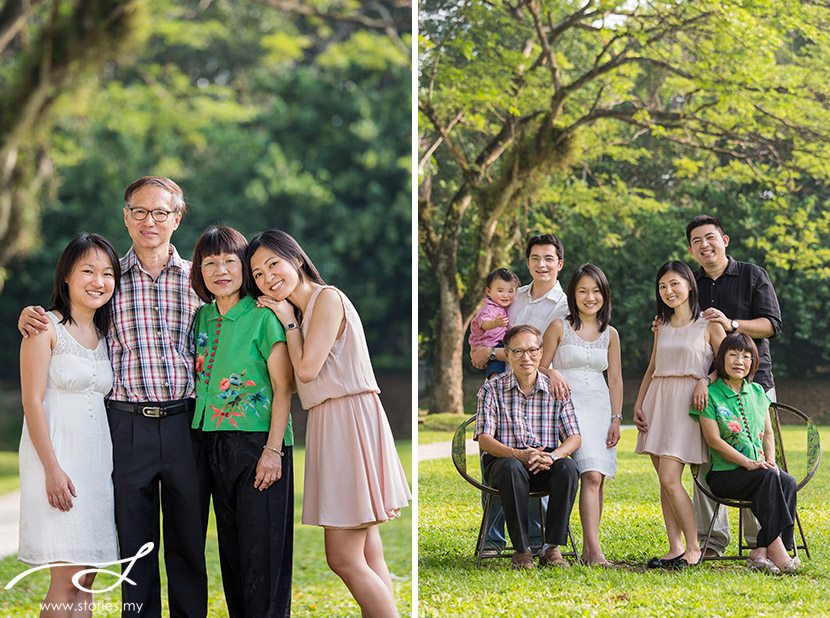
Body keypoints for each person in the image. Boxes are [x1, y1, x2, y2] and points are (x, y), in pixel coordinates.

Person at [18, 177, 209, 618]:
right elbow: (66, 322)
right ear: (126, 216)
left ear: (177, 218)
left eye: (161, 212)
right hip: (125, 426)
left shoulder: (199, 281)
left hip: (185, 423)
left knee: (187, 544)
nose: (149, 221)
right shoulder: (111, 279)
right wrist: (32, 316)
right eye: (139, 211)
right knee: (134, 551)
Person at [248, 229, 410, 618]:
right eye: (257, 274)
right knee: (368, 550)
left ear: (297, 259)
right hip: (336, 420)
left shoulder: (326, 299)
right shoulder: (307, 311)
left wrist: (286, 320)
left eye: (274, 264)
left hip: (346, 422)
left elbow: (306, 370)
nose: (268, 278)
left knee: (342, 557)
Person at [190, 226, 294, 617]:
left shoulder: (264, 315)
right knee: (232, 553)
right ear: (199, 270)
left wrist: (272, 450)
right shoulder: (201, 317)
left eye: (230, 261)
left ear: (244, 267)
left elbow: (284, 389)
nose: (220, 270)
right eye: (210, 263)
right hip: (211, 444)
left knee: (262, 555)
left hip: (259, 444)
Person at [18, 233, 120, 618]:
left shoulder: (107, 334)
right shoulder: (44, 328)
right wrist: (52, 469)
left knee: (88, 575)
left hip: (96, 464)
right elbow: (32, 402)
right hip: (59, 459)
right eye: (88, 271)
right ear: (66, 277)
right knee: (66, 579)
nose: (99, 281)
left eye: (108, 273)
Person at [685, 214, 783, 557]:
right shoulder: (690, 284)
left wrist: (733, 323)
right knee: (707, 459)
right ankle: (713, 541)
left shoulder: (752, 275)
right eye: (696, 241)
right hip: (707, 387)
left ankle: (763, 540)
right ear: (691, 249)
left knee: (758, 455)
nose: (704, 245)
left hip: (753, 383)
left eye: (709, 237)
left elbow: (771, 325)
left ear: (724, 239)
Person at [469, 234, 570, 550]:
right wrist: (484, 350)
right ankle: (495, 538)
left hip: (543, 389)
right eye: (535, 258)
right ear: (527, 262)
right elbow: (488, 332)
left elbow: (545, 351)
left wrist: (495, 353)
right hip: (504, 389)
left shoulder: (566, 305)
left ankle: (541, 540)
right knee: (502, 458)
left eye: (549, 258)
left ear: (559, 263)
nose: (542, 265)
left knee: (540, 459)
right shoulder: (514, 296)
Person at [634, 261, 726, 568]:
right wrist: (639, 403)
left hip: (688, 405)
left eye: (674, 284)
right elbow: (652, 367)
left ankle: (693, 547)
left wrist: (704, 380)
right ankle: (674, 547)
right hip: (657, 401)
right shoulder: (661, 325)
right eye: (662, 286)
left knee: (670, 478)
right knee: (664, 481)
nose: (668, 291)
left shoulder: (709, 324)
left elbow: (725, 367)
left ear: (689, 285)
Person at [690, 333, 800, 574]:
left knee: (786, 480)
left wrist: (769, 460)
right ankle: (778, 551)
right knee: (771, 477)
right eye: (733, 355)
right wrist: (748, 463)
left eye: (746, 356)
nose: (739, 361)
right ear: (721, 360)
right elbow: (713, 440)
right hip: (724, 475)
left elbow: (768, 434)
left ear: (753, 362)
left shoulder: (758, 392)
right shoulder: (710, 393)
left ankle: (760, 551)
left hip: (758, 472)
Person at [475, 324, 581, 570]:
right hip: (504, 461)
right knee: (512, 468)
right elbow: (484, 439)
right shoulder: (492, 389)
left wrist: (553, 457)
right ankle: (522, 551)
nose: (526, 357)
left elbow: (574, 437)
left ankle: (551, 548)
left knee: (568, 468)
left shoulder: (556, 390)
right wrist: (517, 454)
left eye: (532, 350)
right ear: (508, 354)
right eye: (518, 351)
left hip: (543, 461)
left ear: (541, 352)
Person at [540, 264, 622, 566]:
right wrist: (553, 373)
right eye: (583, 290)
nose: (590, 297)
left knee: (596, 477)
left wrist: (616, 417)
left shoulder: (610, 334)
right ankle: (594, 552)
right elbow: (539, 365)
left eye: (596, 291)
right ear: (573, 294)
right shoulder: (559, 326)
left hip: (600, 408)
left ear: (605, 295)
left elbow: (615, 380)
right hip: (569, 409)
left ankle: (590, 548)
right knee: (588, 475)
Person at [468, 268, 519, 379]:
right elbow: (484, 323)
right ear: (488, 291)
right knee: (496, 365)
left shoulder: (502, 306)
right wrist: (495, 323)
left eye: (510, 291)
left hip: (495, 342)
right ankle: (494, 383)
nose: (505, 295)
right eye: (500, 291)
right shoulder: (489, 308)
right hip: (488, 343)